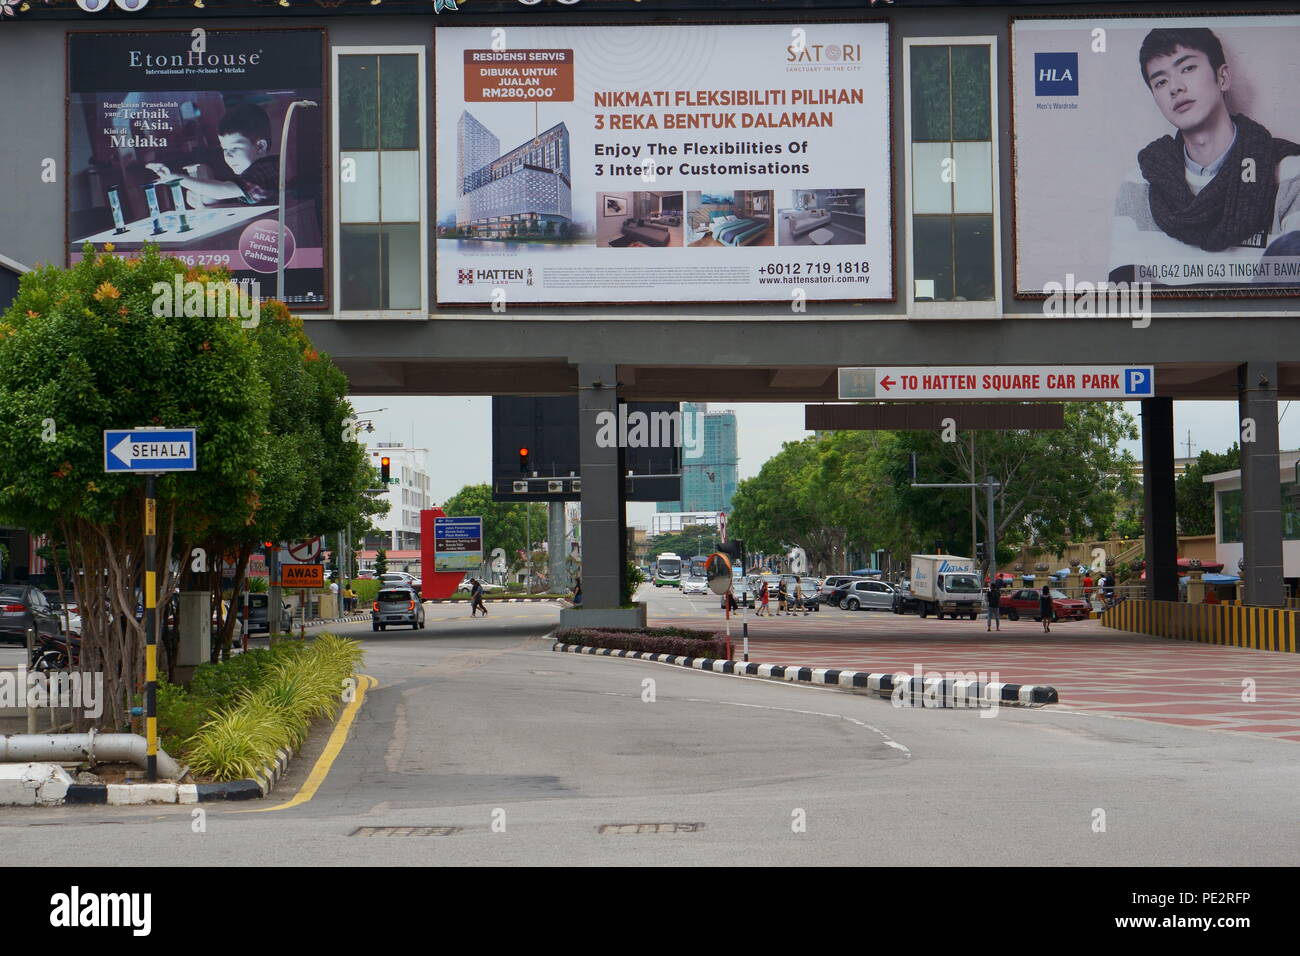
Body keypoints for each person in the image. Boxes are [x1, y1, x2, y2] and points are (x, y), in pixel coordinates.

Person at [1109, 27, 1300, 287]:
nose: (1175, 88)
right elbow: (1128, 306)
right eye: (1160, 82)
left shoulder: (1288, 175)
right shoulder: (1139, 186)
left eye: (1187, 68)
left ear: (1222, 78)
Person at [146, 102, 282, 206]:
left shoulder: (264, 170)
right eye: (225, 149)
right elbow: (220, 194)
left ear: (260, 146)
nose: (228, 156)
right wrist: (202, 196)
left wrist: (175, 178)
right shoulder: (252, 172)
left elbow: (222, 191)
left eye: (235, 148)